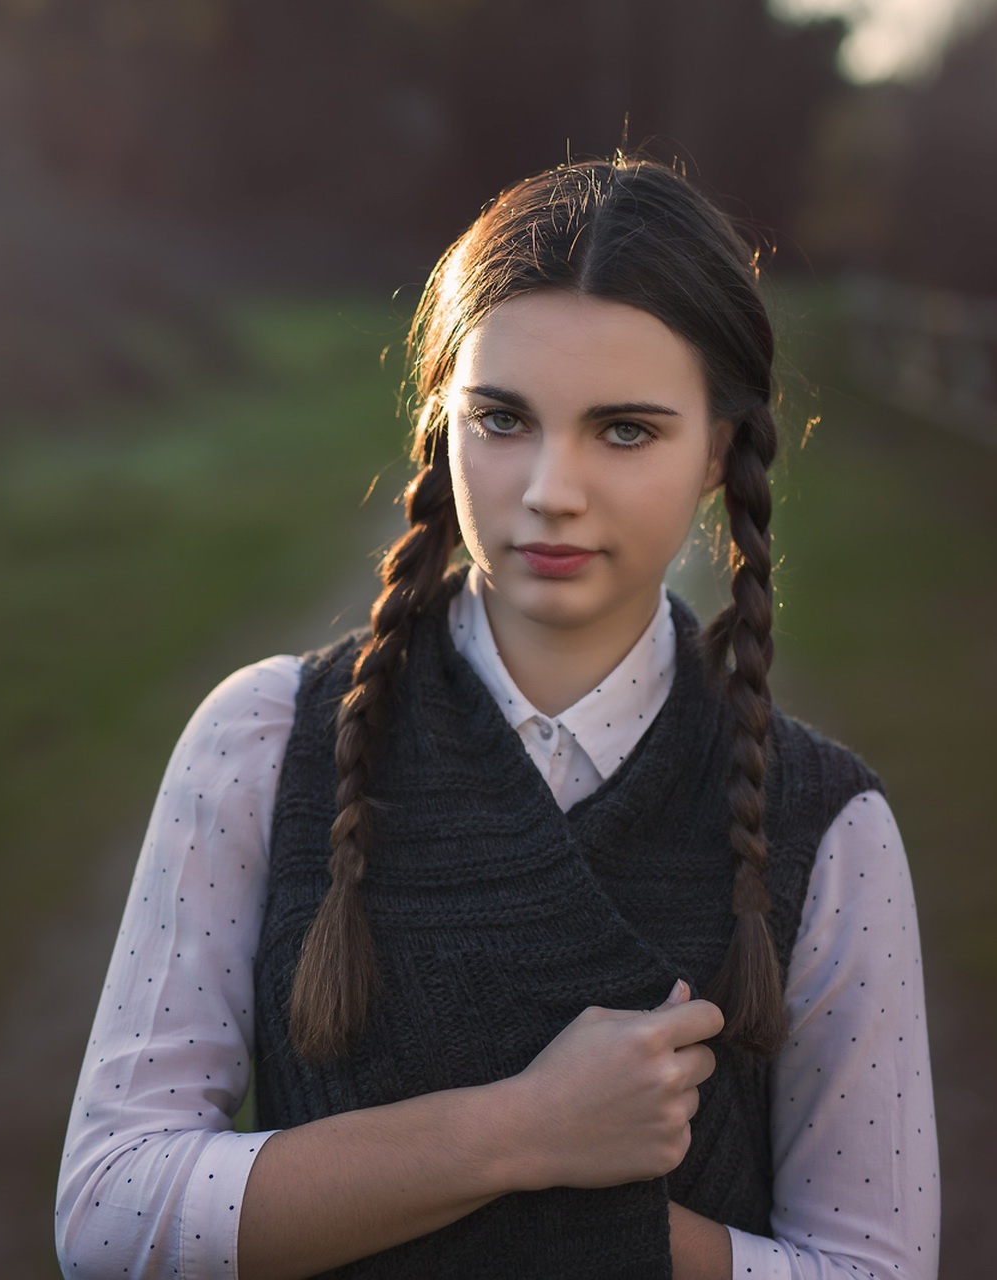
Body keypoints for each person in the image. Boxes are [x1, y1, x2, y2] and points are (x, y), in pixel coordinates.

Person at [54, 152, 940, 1279]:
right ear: (440, 416)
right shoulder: (266, 742)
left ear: (718, 450)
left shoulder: (829, 827)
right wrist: (524, 1132)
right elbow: (107, 1213)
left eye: (625, 429)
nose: (549, 489)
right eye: (505, 418)